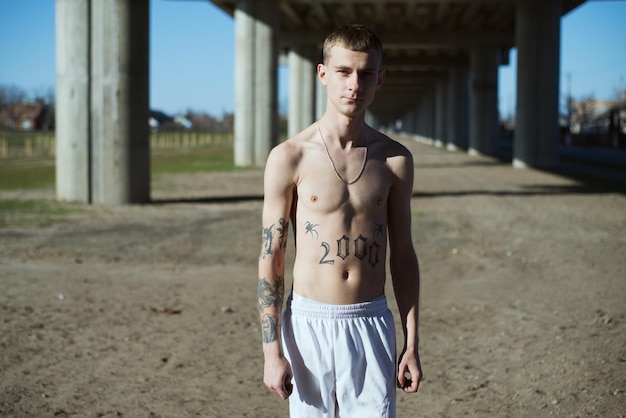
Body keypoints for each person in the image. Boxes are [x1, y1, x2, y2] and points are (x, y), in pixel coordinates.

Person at [257, 24, 422, 417]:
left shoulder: (394, 160)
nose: (354, 84)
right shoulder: (289, 157)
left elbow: (402, 255)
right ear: (323, 74)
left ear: (380, 79)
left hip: (370, 320)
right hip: (308, 323)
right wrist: (271, 351)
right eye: (344, 71)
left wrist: (412, 344)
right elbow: (272, 257)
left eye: (366, 74)